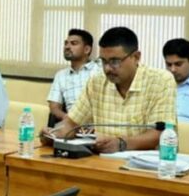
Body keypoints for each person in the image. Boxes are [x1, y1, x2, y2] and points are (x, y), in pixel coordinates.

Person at [45, 27, 176, 153]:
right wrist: (52, 134)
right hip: (101, 160)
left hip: (145, 163)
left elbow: (160, 133)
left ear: (136, 57)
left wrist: (121, 144)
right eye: (103, 61)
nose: (107, 68)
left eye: (115, 61)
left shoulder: (160, 80)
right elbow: (72, 124)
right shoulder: (96, 82)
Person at [46, 29, 99, 127]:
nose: (67, 47)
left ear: (87, 49)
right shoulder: (61, 75)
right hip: (71, 126)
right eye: (66, 43)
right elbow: (54, 107)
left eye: (73, 43)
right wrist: (70, 120)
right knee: (44, 133)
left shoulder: (100, 71)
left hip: (97, 126)